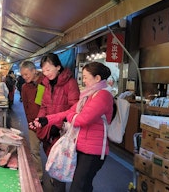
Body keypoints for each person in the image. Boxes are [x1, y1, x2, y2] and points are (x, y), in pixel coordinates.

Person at [31, 62, 114, 192]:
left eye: (86, 77)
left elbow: (82, 119)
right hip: (79, 144)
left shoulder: (102, 95)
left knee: (78, 186)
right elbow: (62, 110)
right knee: (81, 184)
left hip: (92, 150)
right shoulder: (88, 95)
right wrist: (46, 119)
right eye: (44, 70)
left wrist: (70, 117)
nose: (83, 80)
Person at [30, 53, 80, 191]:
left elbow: (74, 108)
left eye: (49, 70)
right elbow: (43, 106)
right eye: (44, 71)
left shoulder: (70, 83)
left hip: (62, 131)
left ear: (58, 67)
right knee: (53, 162)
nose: (46, 74)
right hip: (47, 129)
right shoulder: (44, 84)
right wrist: (40, 121)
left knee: (59, 165)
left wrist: (57, 125)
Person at [19, 60, 45, 181]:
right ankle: (38, 176)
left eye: (26, 74)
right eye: (22, 75)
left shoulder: (44, 83)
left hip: (46, 123)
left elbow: (42, 105)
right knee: (34, 151)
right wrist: (31, 122)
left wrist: (42, 121)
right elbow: (26, 107)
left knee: (51, 151)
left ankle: (56, 178)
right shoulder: (24, 87)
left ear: (34, 71)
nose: (24, 77)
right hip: (33, 123)